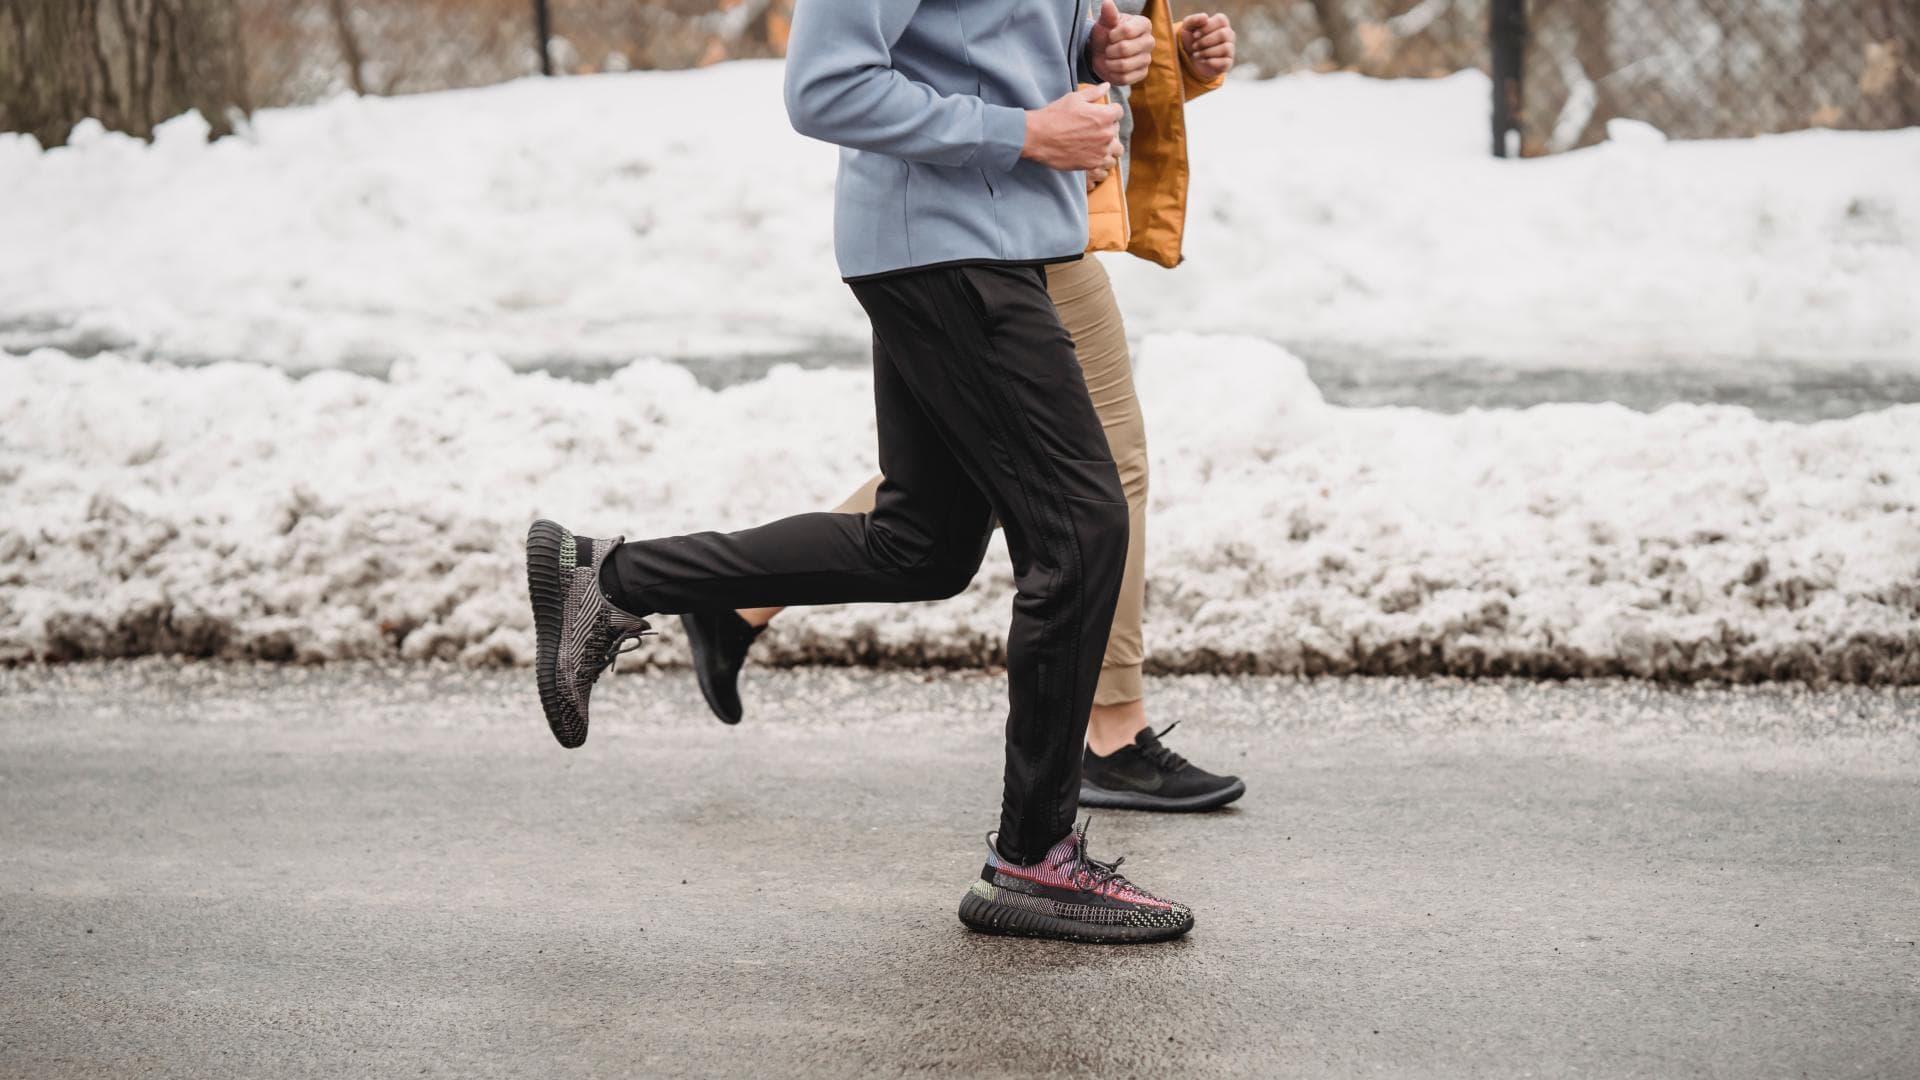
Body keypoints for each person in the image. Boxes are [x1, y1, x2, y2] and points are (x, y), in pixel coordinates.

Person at [527, 0, 1195, 944]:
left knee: (920, 546)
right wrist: (1024, 131)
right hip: (951, 247)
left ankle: (610, 577)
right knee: (1082, 532)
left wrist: (1095, 45)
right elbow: (827, 86)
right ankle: (1035, 858)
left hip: (997, 242)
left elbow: (983, 38)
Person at [682, 2, 1244, 814]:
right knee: (1091, 475)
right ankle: (1108, 739)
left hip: (1025, 219)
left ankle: (726, 599)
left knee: (977, 479)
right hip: (965, 228)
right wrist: (1030, 131)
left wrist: (1145, 60)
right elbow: (838, 85)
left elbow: (1009, 52)